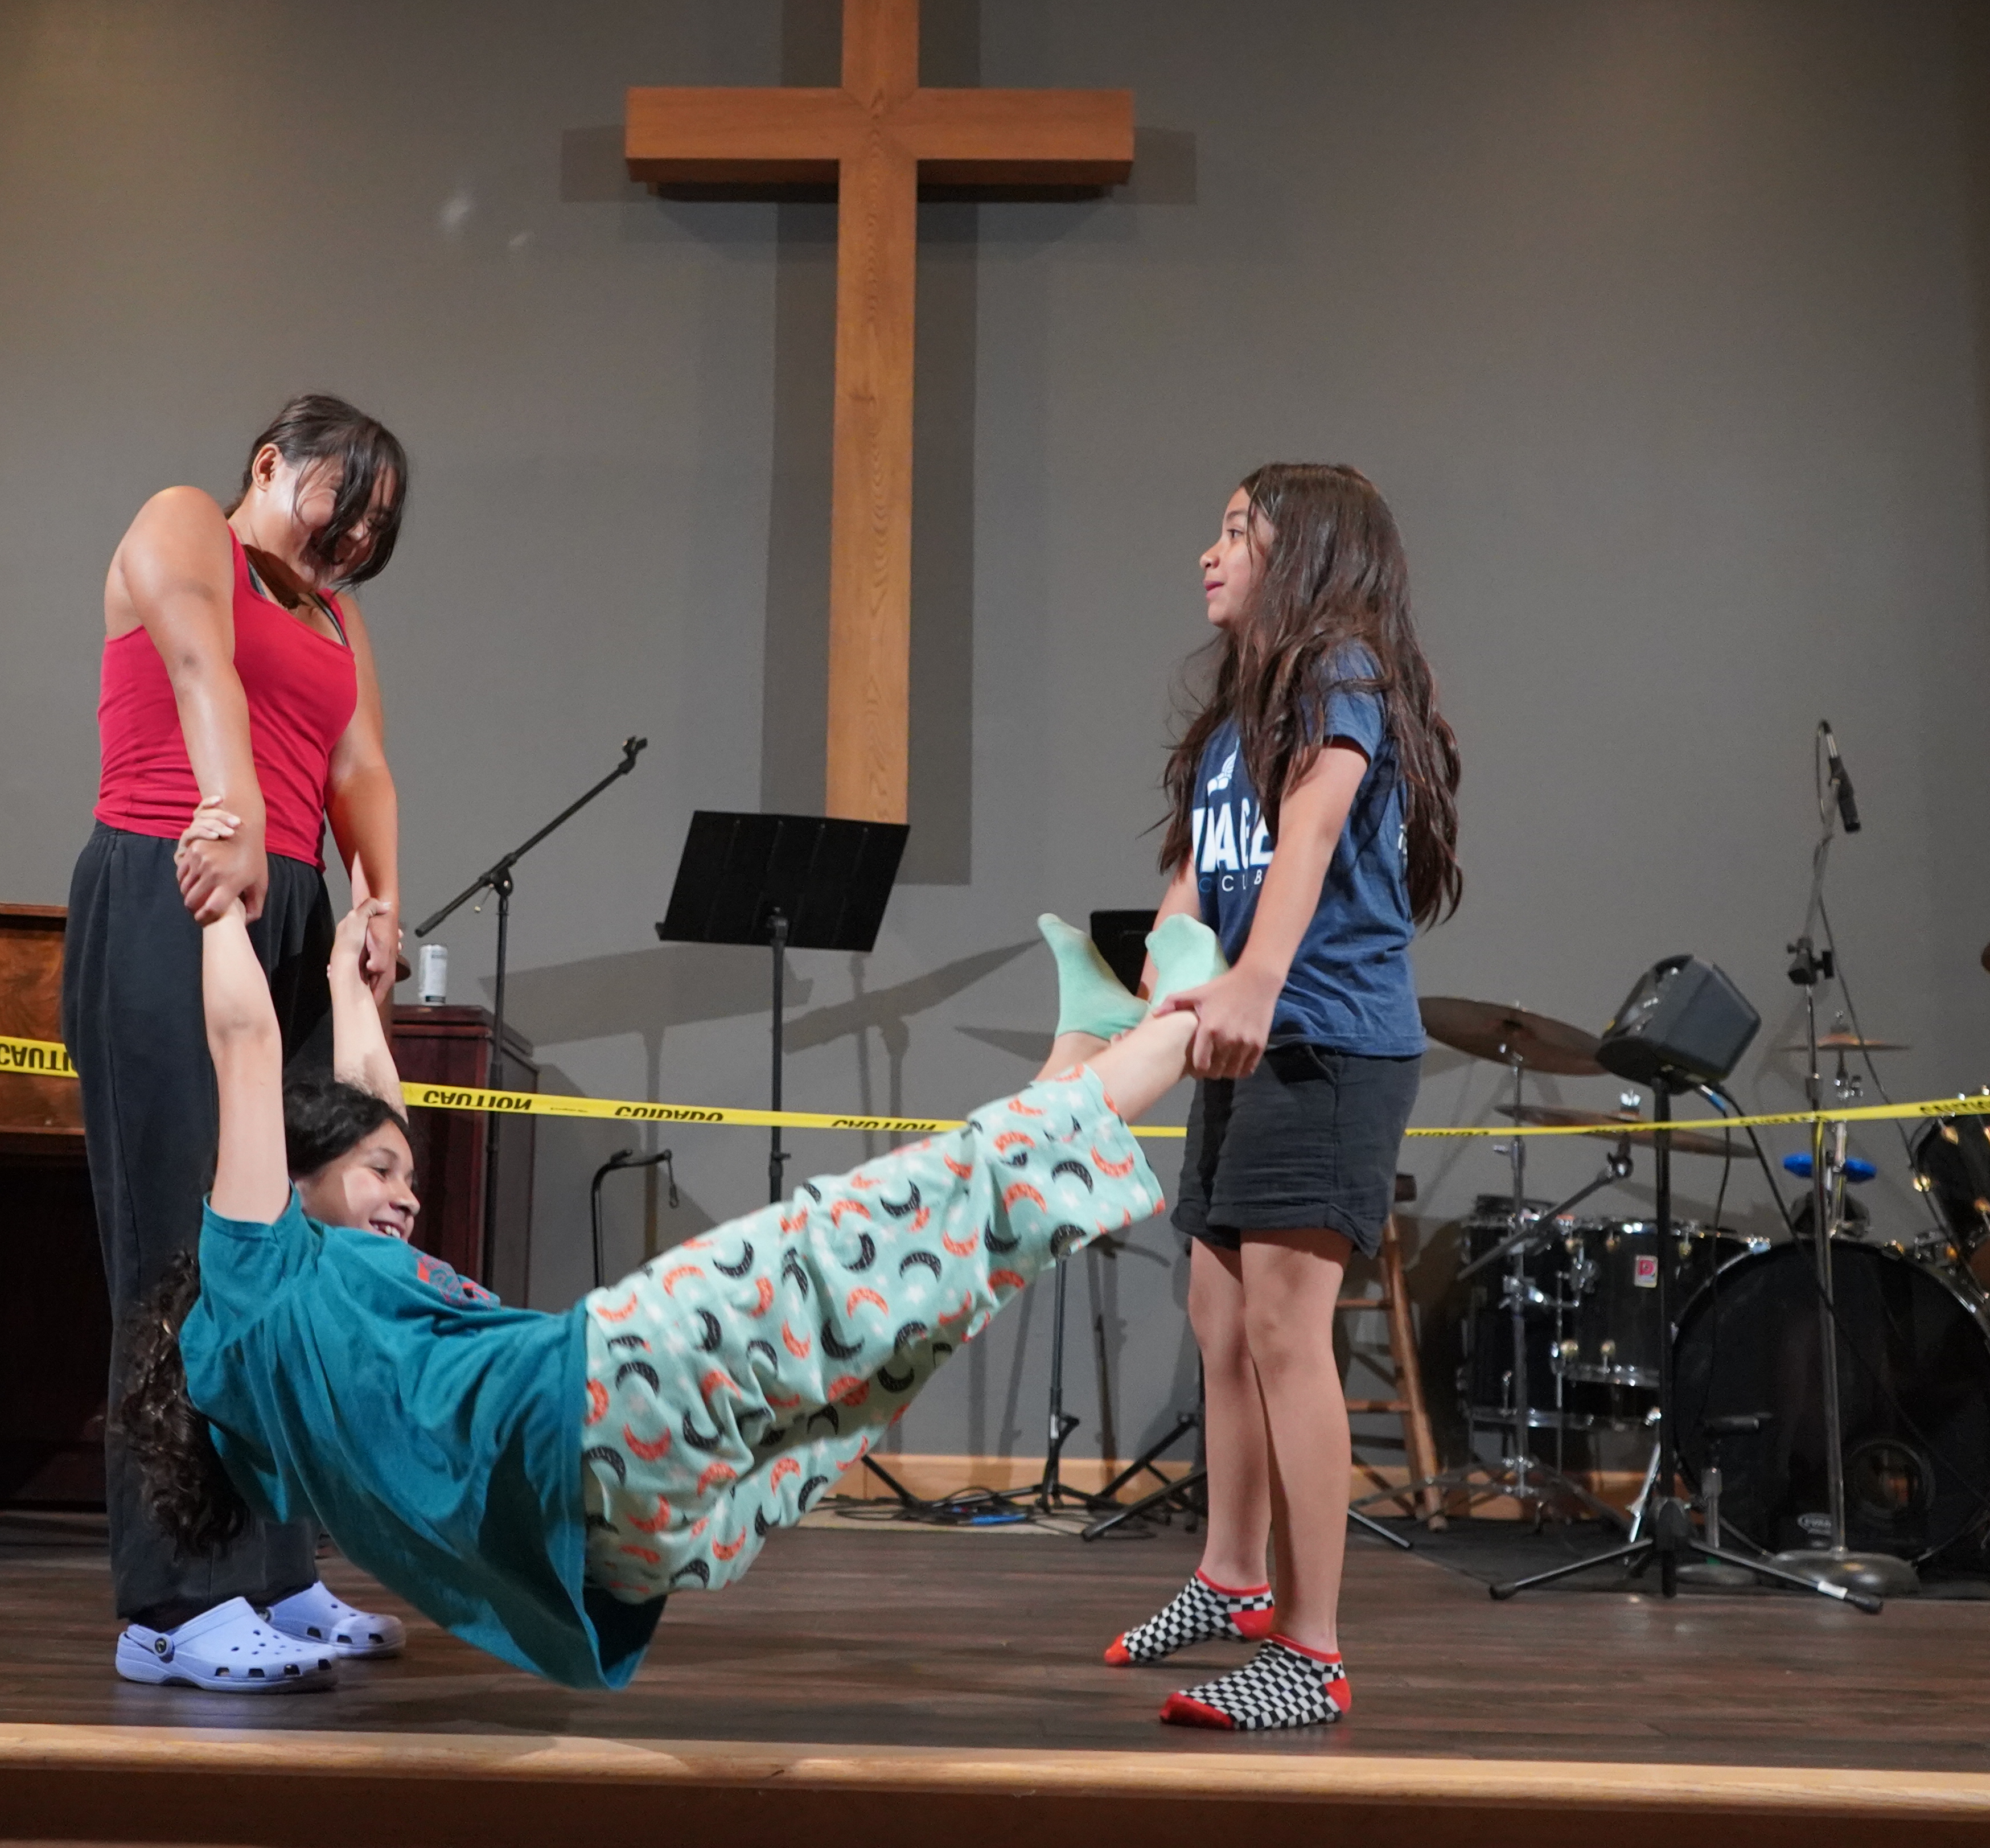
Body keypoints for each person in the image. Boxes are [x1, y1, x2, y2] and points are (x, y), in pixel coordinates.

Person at [108, 871, 1230, 1690]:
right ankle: (1182, 1027)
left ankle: (1080, 1054)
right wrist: (217, 909)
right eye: (378, 1173)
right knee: (843, 1236)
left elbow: (367, 1108)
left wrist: (359, 983)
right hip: (591, 1402)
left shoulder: (296, 1367)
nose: (405, 1187)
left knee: (894, 1309)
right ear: (293, 1190)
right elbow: (248, 1044)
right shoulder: (254, 1287)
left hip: (616, 1537)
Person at [1104, 462, 1462, 1732]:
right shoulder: (1228, 722)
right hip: (1249, 1044)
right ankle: (1232, 1575)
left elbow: (1308, 834)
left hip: (1326, 1043)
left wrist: (1258, 976)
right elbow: (1206, 873)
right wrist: (1170, 951)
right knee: (1217, 1312)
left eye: (1238, 531)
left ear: (1307, 556)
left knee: (1284, 1335)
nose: (1209, 552)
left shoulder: (1343, 672)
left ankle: (1310, 1651)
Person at [66, 393, 410, 1691]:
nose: (357, 541)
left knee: (291, 1253)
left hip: (292, 903)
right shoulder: (181, 524)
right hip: (176, 873)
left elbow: (361, 758)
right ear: (272, 464)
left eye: (379, 529)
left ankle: (274, 1570)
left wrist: (380, 897)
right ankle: (172, 1603)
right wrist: (231, 808)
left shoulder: (333, 612)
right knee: (180, 1254)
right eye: (344, 505)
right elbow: (202, 664)